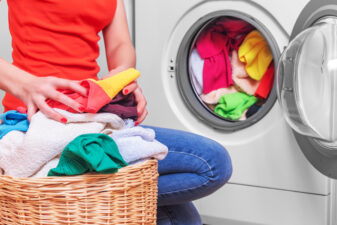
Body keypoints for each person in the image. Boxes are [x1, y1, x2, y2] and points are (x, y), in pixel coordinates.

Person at [0, 0, 232, 224]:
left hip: (92, 116)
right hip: (40, 120)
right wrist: (25, 84)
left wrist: (122, 78)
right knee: (211, 163)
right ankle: (101, 195)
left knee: (182, 217)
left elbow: (120, 45)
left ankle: (93, 196)